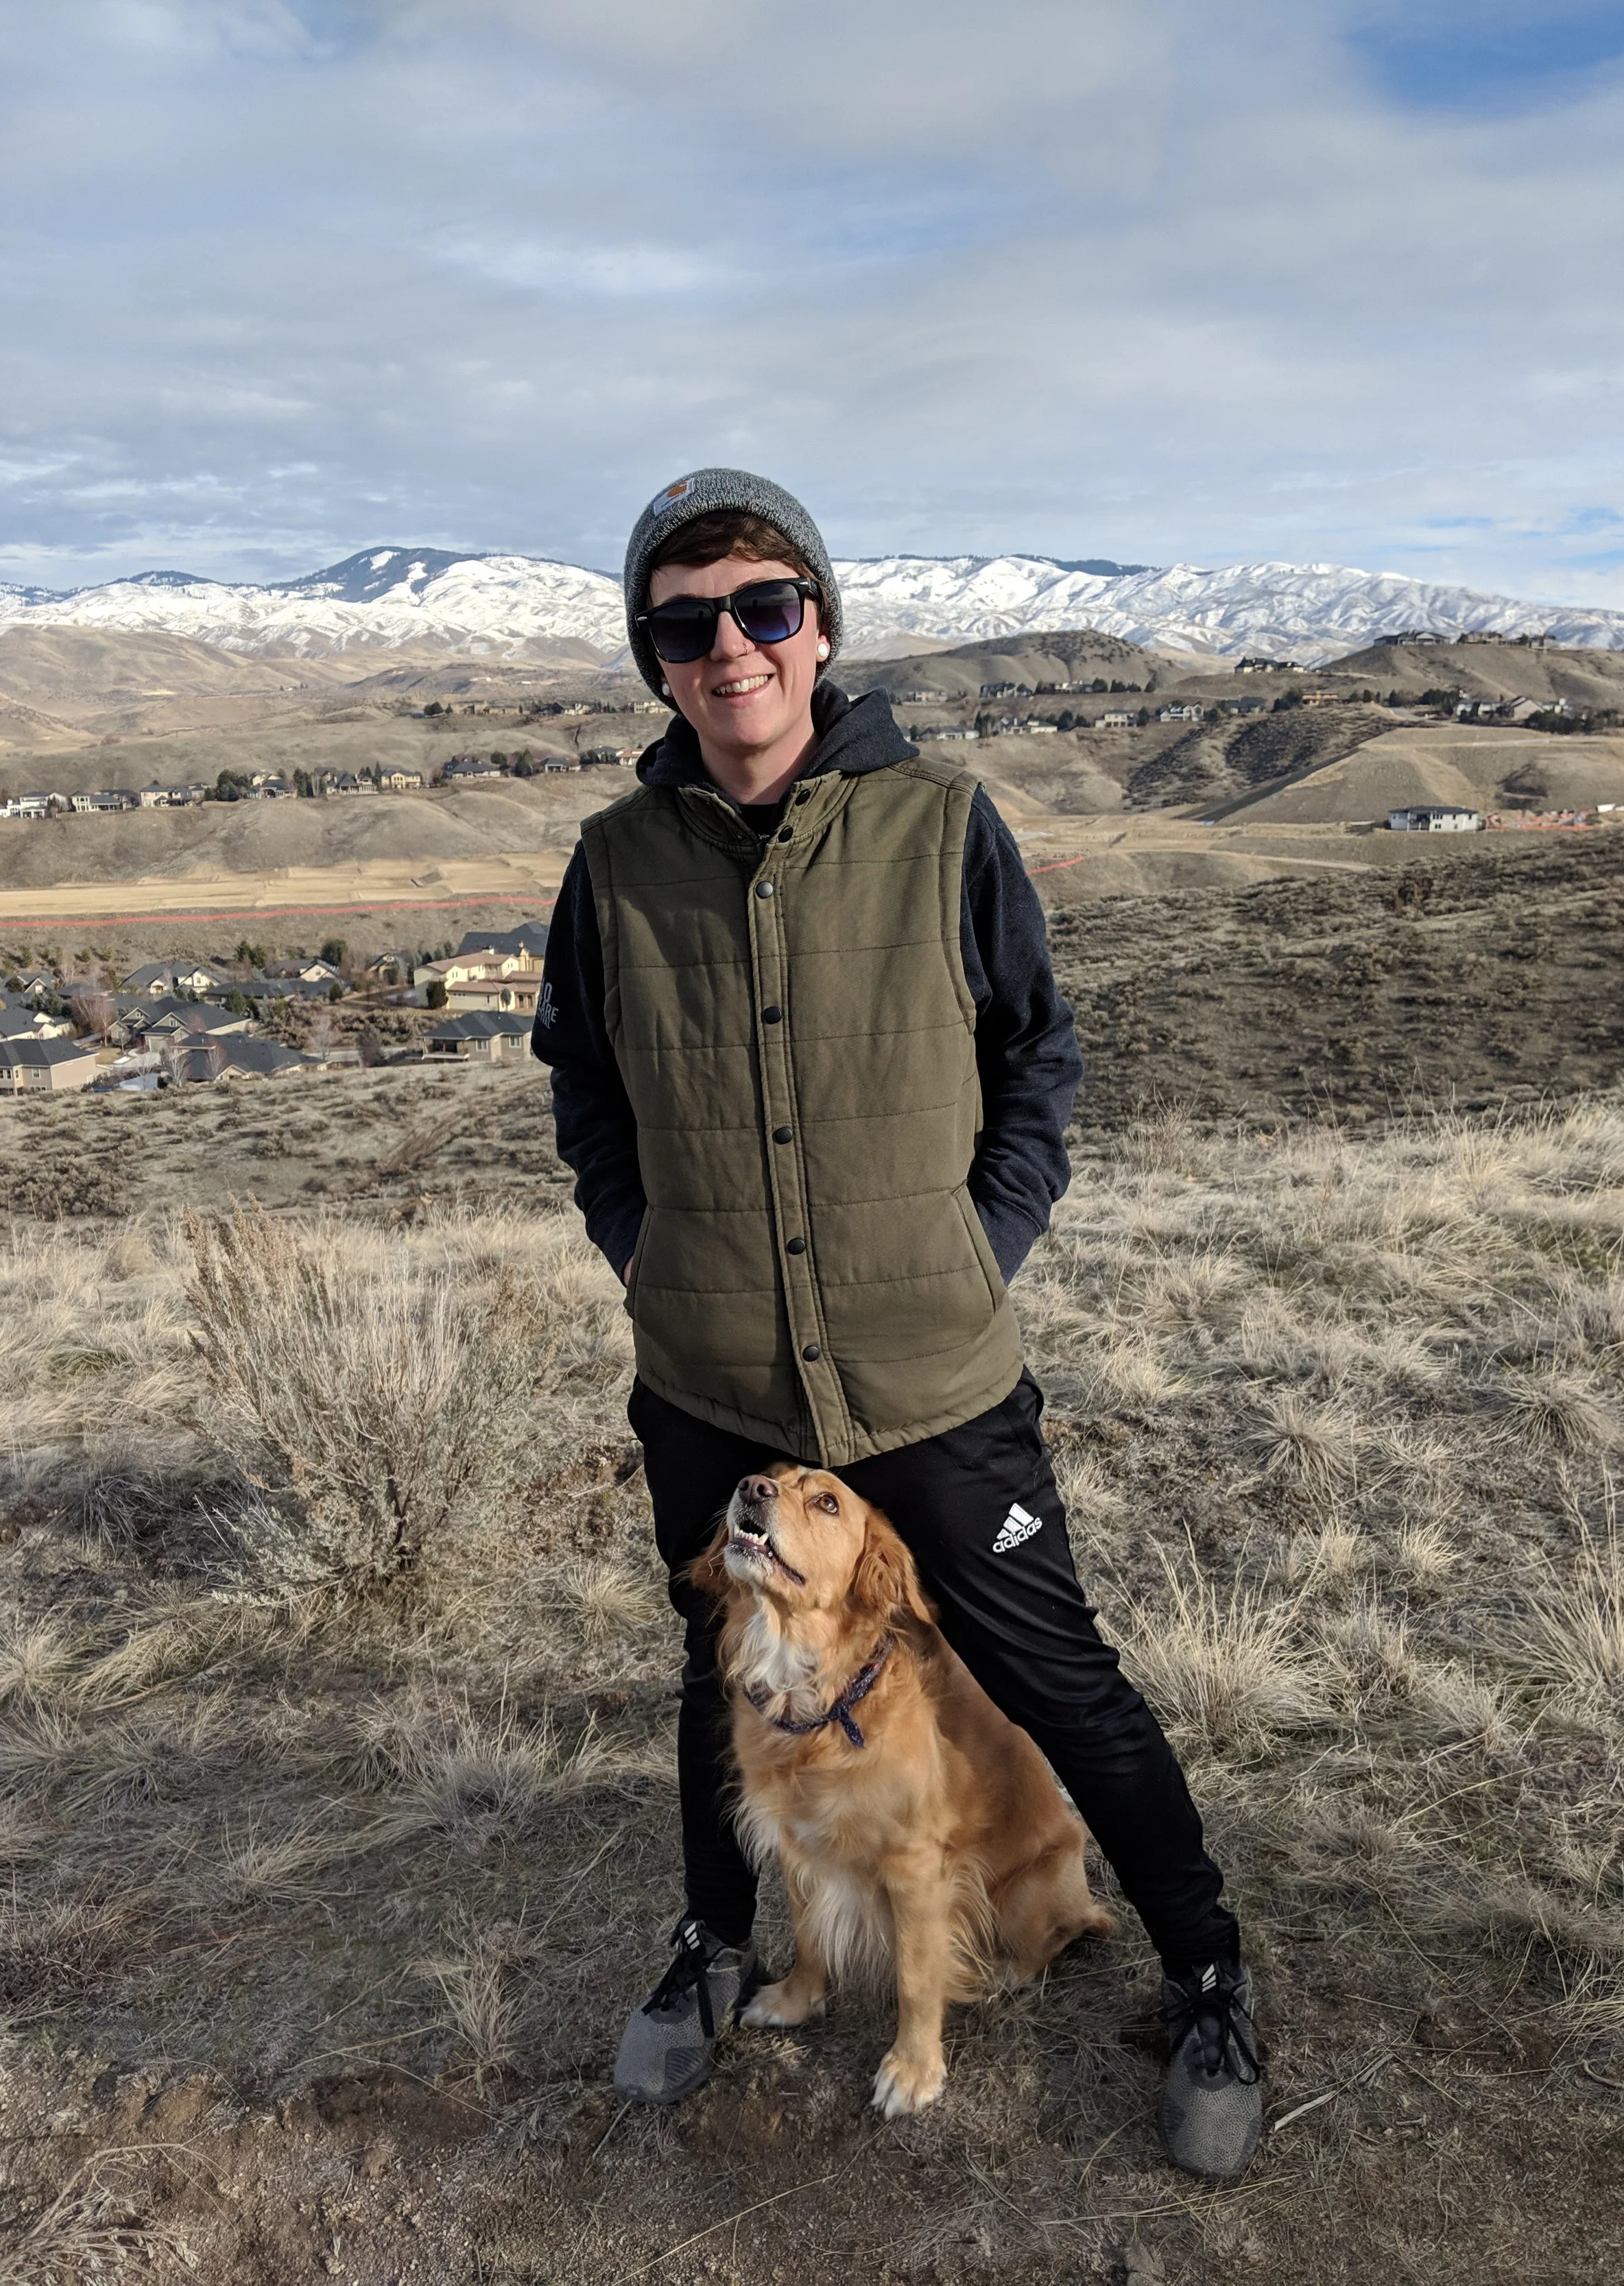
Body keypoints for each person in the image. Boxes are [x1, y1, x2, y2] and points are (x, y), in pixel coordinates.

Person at [530, 468, 1261, 2178]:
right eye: (685, 622)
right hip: (709, 1370)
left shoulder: (939, 826)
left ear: (819, 627)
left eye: (763, 609)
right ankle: (722, 1945)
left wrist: (969, 1247)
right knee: (720, 1661)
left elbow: (1039, 1059)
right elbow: (583, 1093)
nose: (730, 648)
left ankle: (1210, 1966)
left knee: (1049, 1670)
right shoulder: (612, 866)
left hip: (929, 1364)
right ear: (654, 659)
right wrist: (650, 1252)